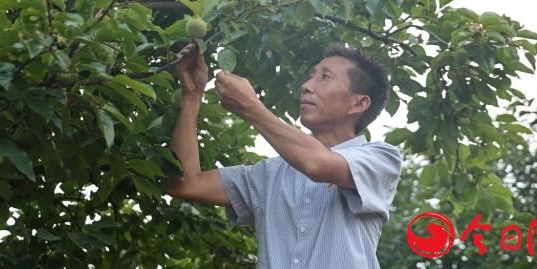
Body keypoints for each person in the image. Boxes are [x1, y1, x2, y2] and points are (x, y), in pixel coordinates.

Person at [166, 41, 403, 269]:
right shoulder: (268, 174)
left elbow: (318, 165)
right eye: (311, 75)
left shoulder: (381, 158)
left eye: (325, 77)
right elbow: (185, 184)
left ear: (358, 104)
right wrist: (192, 95)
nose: (307, 85)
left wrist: (251, 106)